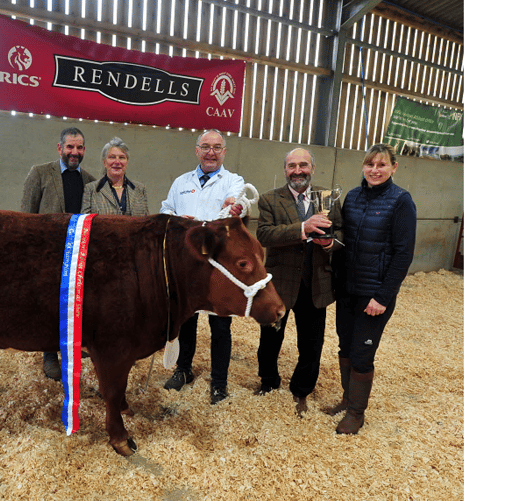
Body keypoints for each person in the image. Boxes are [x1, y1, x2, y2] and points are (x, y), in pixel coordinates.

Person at [325, 143, 416, 434]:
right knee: (344, 346)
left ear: (394, 167)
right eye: (370, 165)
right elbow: (343, 241)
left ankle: (356, 413)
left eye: (381, 165)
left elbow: (403, 253)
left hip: (374, 293)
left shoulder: (401, 201)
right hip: (348, 290)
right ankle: (346, 398)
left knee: (363, 354)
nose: (375, 171)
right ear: (363, 166)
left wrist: (383, 296)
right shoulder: (352, 197)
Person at [255, 148, 343, 416]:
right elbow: (264, 235)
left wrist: (329, 243)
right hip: (280, 283)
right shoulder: (270, 199)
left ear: (312, 168)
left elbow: (341, 233)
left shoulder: (327, 198)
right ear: (285, 170)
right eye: (292, 166)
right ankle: (268, 382)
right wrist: (303, 228)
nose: (298, 170)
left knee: (311, 343)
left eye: (303, 165)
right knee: (270, 339)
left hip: (316, 284)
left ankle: (301, 390)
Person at [160, 129, 244, 405]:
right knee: (186, 320)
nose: (211, 152)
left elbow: (239, 205)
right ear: (196, 151)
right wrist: (176, 220)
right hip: (186, 262)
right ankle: (183, 370)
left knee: (220, 324)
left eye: (217, 147)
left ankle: (219, 383)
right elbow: (164, 211)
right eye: (205, 147)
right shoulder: (180, 182)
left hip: (218, 264)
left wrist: (235, 207)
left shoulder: (234, 181)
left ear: (224, 152)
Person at [20, 127, 96, 381]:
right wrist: (28, 252)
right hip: (47, 253)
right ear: (60, 148)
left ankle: (73, 347)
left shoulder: (90, 181)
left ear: (84, 150)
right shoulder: (40, 173)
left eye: (79, 148)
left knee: (76, 302)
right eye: (70, 147)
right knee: (49, 304)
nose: (74, 152)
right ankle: (49, 353)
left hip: (78, 254)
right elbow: (25, 217)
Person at [81, 137, 149, 216]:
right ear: (104, 162)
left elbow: (146, 223)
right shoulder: (91, 190)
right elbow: (85, 223)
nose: (117, 162)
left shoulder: (140, 189)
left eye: (122, 157)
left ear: (127, 162)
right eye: (112, 157)